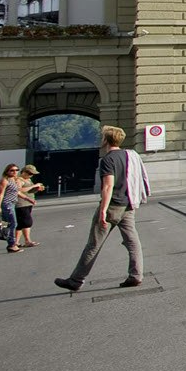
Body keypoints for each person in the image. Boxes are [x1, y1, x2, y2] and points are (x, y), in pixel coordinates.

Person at [55, 125, 148, 292]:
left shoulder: (108, 159)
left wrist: (103, 210)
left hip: (113, 206)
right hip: (128, 205)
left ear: (105, 140)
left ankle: (76, 280)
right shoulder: (129, 156)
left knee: (94, 244)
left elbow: (108, 187)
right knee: (133, 242)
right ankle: (136, 275)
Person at [14, 164, 45, 248]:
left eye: (32, 174)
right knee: (27, 222)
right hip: (21, 204)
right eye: (29, 173)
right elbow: (19, 190)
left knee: (21, 224)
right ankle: (25, 241)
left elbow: (29, 191)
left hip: (28, 203)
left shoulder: (28, 179)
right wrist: (34, 185)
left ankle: (18, 242)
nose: (31, 175)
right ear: (24, 172)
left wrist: (37, 189)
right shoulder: (19, 180)